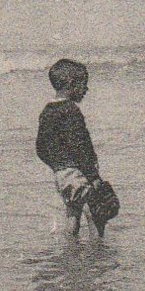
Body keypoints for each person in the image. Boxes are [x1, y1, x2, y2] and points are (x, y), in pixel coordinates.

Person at [36, 59, 113, 238]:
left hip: (61, 175)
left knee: (73, 212)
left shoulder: (47, 111)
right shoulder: (71, 111)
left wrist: (57, 165)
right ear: (72, 85)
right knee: (94, 213)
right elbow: (81, 147)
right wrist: (92, 176)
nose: (86, 90)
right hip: (77, 172)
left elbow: (40, 147)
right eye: (83, 85)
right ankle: (98, 250)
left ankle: (71, 250)